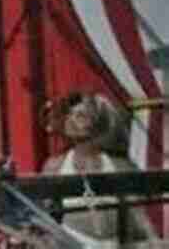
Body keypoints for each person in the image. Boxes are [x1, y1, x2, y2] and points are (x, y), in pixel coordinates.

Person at [40, 91, 158, 246]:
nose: (73, 120)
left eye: (81, 115)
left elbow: (139, 221)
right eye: (70, 115)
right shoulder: (54, 167)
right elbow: (46, 221)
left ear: (99, 122)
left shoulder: (120, 166)